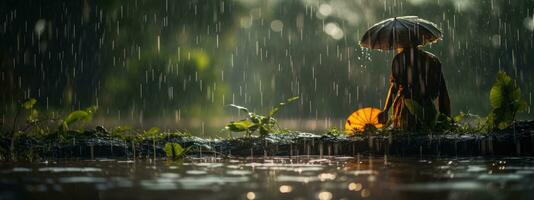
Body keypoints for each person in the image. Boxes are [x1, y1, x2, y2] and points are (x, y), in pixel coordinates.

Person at [377, 47, 450, 130]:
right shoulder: (432, 59)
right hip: (427, 112)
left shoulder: (400, 59)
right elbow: (443, 93)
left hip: (405, 114)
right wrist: (446, 121)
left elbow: (394, 87)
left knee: (404, 135)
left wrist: (386, 110)